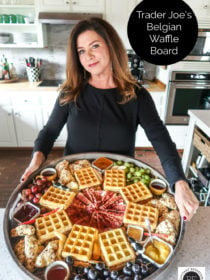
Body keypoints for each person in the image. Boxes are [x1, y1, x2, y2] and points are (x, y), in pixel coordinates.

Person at [21, 17, 199, 221]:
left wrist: (179, 182)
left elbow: (162, 141)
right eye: (81, 51)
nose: (88, 56)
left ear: (111, 46)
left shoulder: (136, 95)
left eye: (94, 46)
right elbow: (49, 132)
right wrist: (36, 160)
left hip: (119, 187)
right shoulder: (70, 93)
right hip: (73, 185)